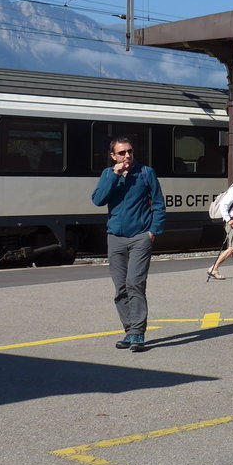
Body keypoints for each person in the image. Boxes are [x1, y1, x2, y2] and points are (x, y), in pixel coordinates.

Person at [91, 136, 166, 352]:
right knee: (120, 288)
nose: (127, 156)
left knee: (135, 283)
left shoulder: (146, 173)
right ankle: (129, 331)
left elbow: (159, 204)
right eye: (122, 153)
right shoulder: (108, 174)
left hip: (140, 237)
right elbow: (98, 200)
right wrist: (114, 175)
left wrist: (153, 232)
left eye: (130, 152)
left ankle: (138, 333)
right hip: (115, 237)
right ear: (113, 156)